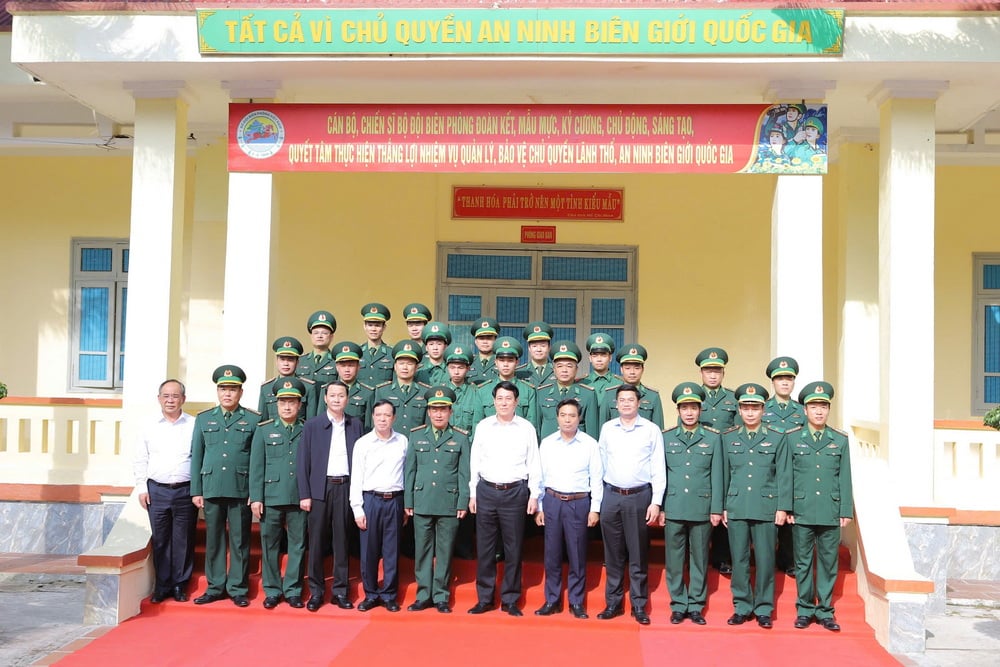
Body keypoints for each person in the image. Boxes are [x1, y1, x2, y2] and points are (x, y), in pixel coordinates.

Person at [467, 381, 542, 617]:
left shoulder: (526, 428)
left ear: (516, 402)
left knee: (513, 547)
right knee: (486, 548)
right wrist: (472, 492)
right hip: (487, 490)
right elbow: (474, 460)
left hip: (515, 492)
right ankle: (485, 598)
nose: (503, 403)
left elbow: (534, 462)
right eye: (499, 398)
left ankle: (510, 599)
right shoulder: (483, 426)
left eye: (508, 398)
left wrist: (534, 494)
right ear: (494, 401)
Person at [721, 382, 791, 629]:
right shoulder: (728, 438)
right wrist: (722, 507)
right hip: (737, 505)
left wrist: (783, 507)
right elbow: (724, 475)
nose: (750, 412)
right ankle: (741, 606)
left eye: (755, 408)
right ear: (739, 410)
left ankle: (763, 608)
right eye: (745, 408)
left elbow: (783, 474)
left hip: (766, 507)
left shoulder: (776, 438)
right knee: (738, 560)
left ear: (763, 410)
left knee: (764, 559)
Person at [190, 365, 261, 607]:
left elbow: (256, 459)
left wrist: (255, 491)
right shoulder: (204, 419)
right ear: (217, 392)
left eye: (232, 389)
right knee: (214, 539)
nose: (227, 394)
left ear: (241, 392)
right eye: (223, 389)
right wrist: (196, 490)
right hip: (211, 487)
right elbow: (197, 456)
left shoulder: (253, 420)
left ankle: (238, 587)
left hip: (240, 488)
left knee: (240, 540)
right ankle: (215, 586)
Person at [597, 384, 666, 625]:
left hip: (639, 496)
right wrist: (599, 500)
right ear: (616, 404)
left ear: (639, 403)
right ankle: (612, 603)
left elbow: (658, 468)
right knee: (612, 553)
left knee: (638, 554)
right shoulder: (607, 429)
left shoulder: (651, 430)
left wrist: (656, 502)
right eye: (622, 400)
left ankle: (639, 605)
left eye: (630, 400)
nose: (626, 403)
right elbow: (600, 465)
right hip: (611, 495)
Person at [788, 381, 853, 632]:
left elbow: (844, 477)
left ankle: (825, 610)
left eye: (823, 406)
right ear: (804, 410)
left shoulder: (840, 440)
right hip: (802, 510)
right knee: (803, 563)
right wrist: (788, 507)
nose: (818, 411)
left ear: (828, 410)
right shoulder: (793, 439)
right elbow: (787, 476)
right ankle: (804, 609)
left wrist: (845, 509)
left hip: (830, 510)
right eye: (813, 406)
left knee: (828, 562)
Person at [297, 380, 364, 612]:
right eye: (332, 395)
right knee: (316, 542)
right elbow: (303, 461)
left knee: (342, 540)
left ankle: (340, 591)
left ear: (348, 398)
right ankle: (316, 591)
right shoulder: (313, 425)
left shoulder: (355, 424)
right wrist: (304, 494)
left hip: (344, 487)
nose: (337, 399)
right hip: (319, 490)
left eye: (341, 395)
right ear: (325, 398)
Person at [404, 387, 471, 614]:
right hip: (422, 500)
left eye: (443, 409)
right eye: (434, 409)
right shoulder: (416, 435)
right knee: (422, 550)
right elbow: (410, 471)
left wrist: (462, 502)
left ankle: (441, 595)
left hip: (449, 502)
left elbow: (464, 473)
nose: (438, 414)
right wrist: (408, 500)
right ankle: (423, 594)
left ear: (450, 412)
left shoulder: (461, 437)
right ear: (428, 412)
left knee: (444, 550)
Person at [661, 382, 723, 626]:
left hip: (701, 507)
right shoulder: (666, 438)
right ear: (678, 410)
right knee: (674, 560)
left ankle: (696, 604)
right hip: (674, 506)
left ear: (700, 410)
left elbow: (718, 475)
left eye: (693, 408)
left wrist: (716, 508)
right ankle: (678, 604)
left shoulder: (713, 438)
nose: (689, 412)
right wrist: (662, 507)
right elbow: (662, 475)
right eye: (684, 407)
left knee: (699, 558)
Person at [535, 397, 603, 619]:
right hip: (552, 501)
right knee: (551, 554)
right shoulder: (547, 443)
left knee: (577, 553)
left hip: (578, 502)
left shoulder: (590, 444)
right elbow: (539, 476)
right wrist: (540, 506)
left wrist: (595, 508)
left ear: (579, 418)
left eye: (572, 415)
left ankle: (576, 601)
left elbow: (597, 478)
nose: (567, 419)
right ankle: (552, 599)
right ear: (557, 417)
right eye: (563, 415)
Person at [133, 379, 196, 603]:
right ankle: (162, 585)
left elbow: (198, 458)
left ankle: (180, 584)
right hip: (157, 490)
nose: (171, 400)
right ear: (159, 398)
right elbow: (141, 458)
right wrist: (142, 487)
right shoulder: (148, 425)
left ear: (183, 399)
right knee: (160, 539)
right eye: (166, 396)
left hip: (185, 490)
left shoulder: (193, 424)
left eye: (175, 396)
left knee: (183, 539)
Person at [250, 377, 308, 609]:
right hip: (271, 496)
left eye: (292, 402)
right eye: (283, 402)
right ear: (275, 404)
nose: (287, 406)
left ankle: (293, 589)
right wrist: (256, 497)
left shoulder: (307, 430)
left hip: (298, 496)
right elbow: (256, 466)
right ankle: (272, 589)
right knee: (270, 544)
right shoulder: (264, 431)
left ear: (299, 405)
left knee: (298, 544)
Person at [350, 399, 409, 612]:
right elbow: (356, 477)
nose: (382, 419)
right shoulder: (363, 443)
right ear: (373, 417)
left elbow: (407, 474)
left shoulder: (403, 441)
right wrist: (357, 508)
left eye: (387, 415)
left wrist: (405, 505)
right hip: (370, 501)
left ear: (394, 418)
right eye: (378, 415)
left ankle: (389, 595)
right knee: (369, 551)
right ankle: (371, 594)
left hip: (394, 500)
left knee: (392, 551)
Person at [758, 356, 806, 575]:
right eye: (780, 379)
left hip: (795, 469)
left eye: (789, 378)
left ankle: (787, 559)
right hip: (767, 469)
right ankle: (764, 558)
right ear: (773, 382)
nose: (785, 383)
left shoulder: (801, 411)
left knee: (790, 516)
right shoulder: (762, 408)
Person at [696, 346, 737, 575]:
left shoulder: (732, 398)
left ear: (723, 373)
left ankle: (722, 557)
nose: (712, 375)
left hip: (726, 461)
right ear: (701, 373)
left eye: (717, 371)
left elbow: (738, 429)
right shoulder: (692, 396)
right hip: (700, 458)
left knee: (723, 505)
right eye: (708, 370)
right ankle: (698, 556)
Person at [474, 336, 539, 432]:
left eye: (510, 360)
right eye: (501, 360)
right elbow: (477, 424)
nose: (505, 364)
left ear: (517, 362)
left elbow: (532, 425)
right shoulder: (483, 390)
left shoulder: (528, 390)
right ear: (495, 362)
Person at [536, 340, 599, 438]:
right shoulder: (542, 393)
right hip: (548, 448)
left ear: (576, 369)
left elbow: (592, 432)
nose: (564, 370)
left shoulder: (588, 394)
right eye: (560, 366)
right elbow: (537, 427)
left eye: (569, 366)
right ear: (554, 369)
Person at [598, 344, 665, 429]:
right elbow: (603, 427)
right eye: (627, 368)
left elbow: (658, 428)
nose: (632, 372)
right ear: (621, 369)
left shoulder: (652, 396)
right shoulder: (610, 394)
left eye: (637, 368)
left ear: (643, 369)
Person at [374, 340, 429, 437]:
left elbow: (427, 426)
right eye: (401, 363)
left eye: (409, 364)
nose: (405, 367)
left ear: (416, 367)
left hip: (416, 446)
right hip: (390, 444)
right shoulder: (383, 391)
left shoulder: (425, 392)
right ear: (395, 366)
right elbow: (375, 423)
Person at [258, 336, 319, 422]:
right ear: (277, 361)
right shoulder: (266, 387)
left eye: (290, 360)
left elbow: (311, 421)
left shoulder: (308, 387)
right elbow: (262, 421)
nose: (286, 364)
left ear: (297, 362)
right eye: (282, 359)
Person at [331, 340, 375, 433]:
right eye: (343, 366)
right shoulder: (327, 390)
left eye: (351, 366)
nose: (347, 370)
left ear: (358, 367)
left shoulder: (367, 392)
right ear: (337, 367)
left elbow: (369, 425)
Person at [295, 310, 339, 387]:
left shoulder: (337, 361)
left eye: (324, 333)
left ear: (331, 337)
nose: (320, 336)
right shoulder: (300, 361)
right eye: (316, 333)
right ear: (311, 336)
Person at [358, 302, 394, 387]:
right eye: (370, 325)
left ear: (384, 327)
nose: (373, 329)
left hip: (383, 399)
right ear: (364, 327)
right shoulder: (357, 352)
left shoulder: (392, 353)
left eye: (377, 325)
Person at [517, 321, 555, 388]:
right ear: (529, 348)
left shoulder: (557, 370)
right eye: (534, 346)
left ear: (549, 347)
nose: (539, 350)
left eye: (543, 346)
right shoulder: (519, 372)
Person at [416, 321, 451, 386]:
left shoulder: (452, 370)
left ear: (445, 347)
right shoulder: (418, 371)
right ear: (426, 347)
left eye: (439, 344)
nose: (435, 348)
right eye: (431, 344)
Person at [466, 318, 499, 386]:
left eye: (489, 338)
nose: (485, 342)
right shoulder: (468, 362)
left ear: (495, 341)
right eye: (481, 338)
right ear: (476, 341)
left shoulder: (501, 362)